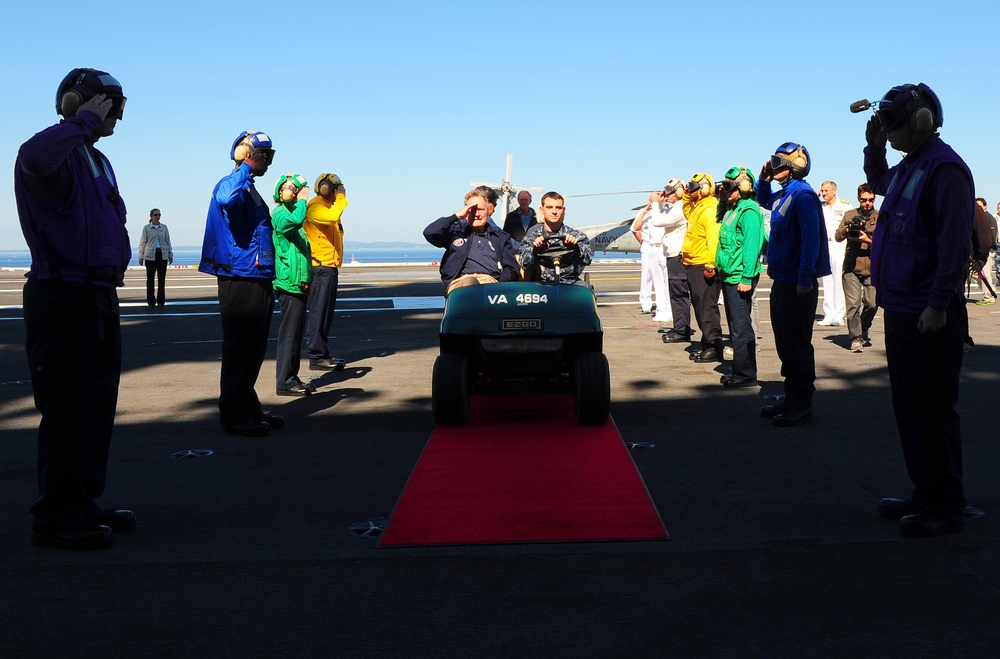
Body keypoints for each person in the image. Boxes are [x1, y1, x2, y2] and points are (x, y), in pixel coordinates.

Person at [15, 67, 134, 549]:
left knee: (95, 405)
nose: (115, 118)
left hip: (97, 294)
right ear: (78, 102)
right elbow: (35, 157)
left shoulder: (97, 161)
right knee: (66, 408)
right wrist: (80, 122)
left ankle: (81, 500)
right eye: (108, 106)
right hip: (60, 294)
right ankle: (57, 515)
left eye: (118, 108)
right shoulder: (53, 153)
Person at [865, 82, 977, 537]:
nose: (889, 135)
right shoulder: (912, 167)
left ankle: (946, 504)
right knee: (909, 407)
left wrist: (937, 303)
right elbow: (878, 182)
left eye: (893, 127)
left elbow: (954, 245)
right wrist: (873, 148)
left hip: (928, 313)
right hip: (902, 307)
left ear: (921, 121)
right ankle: (925, 491)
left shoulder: (945, 169)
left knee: (932, 409)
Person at [199, 130, 282, 437]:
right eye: (264, 156)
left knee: (254, 348)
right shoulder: (232, 183)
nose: (267, 162)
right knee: (240, 349)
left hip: (257, 276)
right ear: (247, 154)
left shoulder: (251, 189)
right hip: (239, 277)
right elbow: (225, 198)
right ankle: (233, 415)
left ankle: (248, 406)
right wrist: (244, 165)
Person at [756, 142, 831, 427]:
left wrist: (804, 278)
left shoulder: (804, 197)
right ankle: (790, 397)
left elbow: (811, 241)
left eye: (778, 161)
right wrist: (763, 178)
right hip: (782, 280)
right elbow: (765, 201)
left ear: (793, 165)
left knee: (797, 345)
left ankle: (802, 404)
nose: (774, 165)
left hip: (797, 284)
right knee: (784, 344)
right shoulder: (786, 194)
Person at [715, 167, 765, 388]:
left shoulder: (749, 212)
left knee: (741, 327)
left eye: (728, 187)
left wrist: (746, 277)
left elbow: (751, 246)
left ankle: (745, 374)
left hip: (739, 277)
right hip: (729, 275)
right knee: (736, 325)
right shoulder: (732, 209)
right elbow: (720, 220)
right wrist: (721, 198)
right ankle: (742, 369)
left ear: (743, 188)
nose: (725, 190)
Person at [424, 189, 519, 294]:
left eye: (481, 209)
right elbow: (430, 233)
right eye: (472, 210)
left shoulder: (500, 236)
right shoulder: (456, 232)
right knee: (470, 284)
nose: (477, 214)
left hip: (491, 283)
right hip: (460, 284)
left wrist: (500, 285)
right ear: (465, 211)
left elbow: (511, 268)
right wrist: (456, 216)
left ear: (488, 211)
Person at [271, 174, 315, 397]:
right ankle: (285, 380)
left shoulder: (291, 213)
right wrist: (303, 201)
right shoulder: (280, 215)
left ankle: (291, 376)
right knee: (290, 333)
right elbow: (298, 220)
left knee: (296, 334)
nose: (297, 192)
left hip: (298, 283)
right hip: (289, 283)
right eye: (293, 189)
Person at [304, 173, 349, 372]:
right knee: (319, 313)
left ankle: (321, 353)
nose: (339, 192)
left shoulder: (326, 207)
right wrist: (341, 198)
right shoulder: (316, 208)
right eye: (336, 189)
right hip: (320, 267)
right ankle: (316, 356)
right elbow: (332, 217)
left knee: (325, 314)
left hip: (328, 267)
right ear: (327, 190)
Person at [679, 173, 722, 362]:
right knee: (699, 306)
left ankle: (713, 346)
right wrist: (687, 196)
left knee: (707, 308)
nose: (691, 189)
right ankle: (707, 343)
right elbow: (687, 211)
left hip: (702, 264)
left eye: (694, 186)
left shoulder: (710, 209)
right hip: (693, 263)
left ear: (705, 188)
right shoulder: (699, 207)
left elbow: (713, 239)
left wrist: (710, 264)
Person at [833, 184, 879, 352]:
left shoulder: (880, 217)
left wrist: (868, 240)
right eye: (864, 200)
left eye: (871, 200)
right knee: (853, 305)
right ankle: (856, 338)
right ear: (858, 199)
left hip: (872, 267)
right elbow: (837, 237)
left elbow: (885, 243)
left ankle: (864, 328)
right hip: (852, 267)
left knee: (872, 304)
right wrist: (848, 228)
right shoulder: (849, 214)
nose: (867, 203)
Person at [520, 192, 593, 285]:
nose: (554, 211)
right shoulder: (532, 238)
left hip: (570, 284)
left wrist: (575, 248)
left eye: (558, 208)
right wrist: (536, 250)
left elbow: (588, 259)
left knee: (586, 295)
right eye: (549, 207)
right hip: (540, 285)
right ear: (542, 210)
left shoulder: (576, 236)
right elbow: (524, 263)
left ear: (563, 210)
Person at [657, 179, 693, 343]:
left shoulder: (680, 209)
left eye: (670, 191)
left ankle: (681, 330)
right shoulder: (677, 208)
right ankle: (680, 327)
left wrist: (656, 204)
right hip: (674, 255)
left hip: (677, 256)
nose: (666, 194)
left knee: (678, 293)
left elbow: (658, 221)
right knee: (676, 293)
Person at [631, 190, 671, 321]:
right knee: (650, 277)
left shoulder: (666, 212)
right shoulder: (646, 214)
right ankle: (652, 306)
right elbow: (635, 228)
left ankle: (667, 309)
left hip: (663, 247)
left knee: (666, 280)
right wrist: (644, 211)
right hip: (650, 246)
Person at [817, 181, 853, 326]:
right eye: (822, 191)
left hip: (839, 244)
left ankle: (839, 314)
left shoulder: (844, 206)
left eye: (826, 190)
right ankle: (829, 313)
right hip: (825, 244)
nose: (824, 193)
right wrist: (815, 196)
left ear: (834, 191)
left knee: (838, 279)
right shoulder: (820, 207)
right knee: (827, 279)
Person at [137, 208, 173, 307]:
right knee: (150, 279)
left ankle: (161, 301)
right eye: (155, 215)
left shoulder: (164, 227)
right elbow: (142, 242)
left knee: (162, 279)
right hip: (150, 256)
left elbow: (168, 241)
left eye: (159, 215)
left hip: (162, 254)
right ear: (151, 216)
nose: (157, 217)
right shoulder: (146, 228)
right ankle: (151, 302)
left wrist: (170, 254)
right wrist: (141, 256)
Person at [973, 197, 997, 305]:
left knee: (985, 273)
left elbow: (991, 235)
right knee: (975, 273)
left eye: (980, 205)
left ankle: (989, 295)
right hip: (977, 251)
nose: (978, 207)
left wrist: (987, 250)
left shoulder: (988, 217)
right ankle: (989, 290)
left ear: (985, 206)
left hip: (986, 250)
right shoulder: (977, 215)